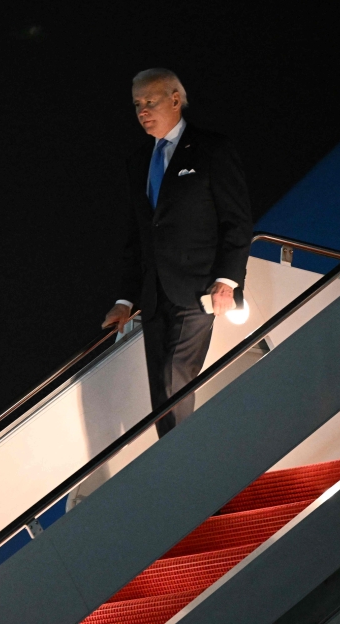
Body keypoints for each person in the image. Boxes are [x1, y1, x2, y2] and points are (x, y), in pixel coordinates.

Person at [102, 68, 252, 438]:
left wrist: (227, 281)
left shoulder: (212, 148)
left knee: (175, 380)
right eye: (137, 104)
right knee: (161, 391)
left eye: (150, 101)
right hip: (154, 296)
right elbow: (137, 237)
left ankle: (181, 471)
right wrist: (125, 298)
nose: (142, 111)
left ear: (174, 98)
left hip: (200, 288)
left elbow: (237, 220)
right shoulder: (138, 161)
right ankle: (178, 466)